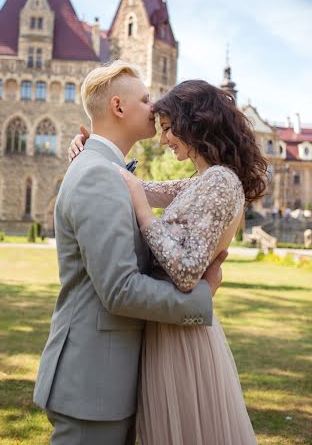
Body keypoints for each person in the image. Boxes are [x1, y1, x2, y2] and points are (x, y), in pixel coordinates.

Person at [33, 61, 225, 445]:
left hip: (107, 377)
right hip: (92, 383)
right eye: (145, 99)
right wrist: (202, 295)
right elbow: (120, 288)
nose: (154, 108)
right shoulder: (96, 174)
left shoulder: (104, 168)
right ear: (118, 107)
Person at [69, 78, 267, 445]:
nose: (163, 139)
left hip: (183, 339)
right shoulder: (202, 180)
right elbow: (137, 186)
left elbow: (187, 271)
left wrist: (145, 215)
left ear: (195, 124)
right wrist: (92, 154)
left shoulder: (222, 181)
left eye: (169, 130)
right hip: (168, 327)